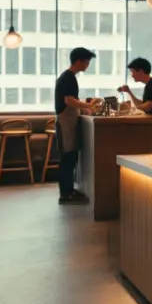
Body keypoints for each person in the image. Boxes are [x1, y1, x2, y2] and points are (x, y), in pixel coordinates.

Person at [55, 47, 98, 205]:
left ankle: (69, 190)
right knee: (67, 158)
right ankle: (65, 194)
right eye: (87, 62)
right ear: (79, 61)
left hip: (68, 120)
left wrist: (84, 106)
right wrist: (88, 106)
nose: (87, 65)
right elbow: (69, 100)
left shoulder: (68, 77)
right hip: (65, 121)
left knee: (71, 158)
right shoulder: (69, 77)